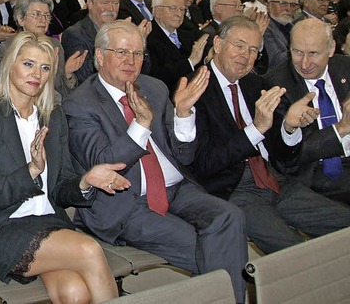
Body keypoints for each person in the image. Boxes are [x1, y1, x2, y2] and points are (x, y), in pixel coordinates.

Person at [62, 19, 248, 303]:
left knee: (230, 217)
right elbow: (104, 163)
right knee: (209, 246)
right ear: (100, 56)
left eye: (138, 54)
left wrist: (184, 113)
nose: (131, 61)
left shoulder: (155, 88)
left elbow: (184, 154)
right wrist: (141, 125)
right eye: (122, 52)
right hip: (126, 202)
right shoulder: (80, 104)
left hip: (176, 189)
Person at [0, 31, 129, 304]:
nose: (37, 74)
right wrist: (32, 170)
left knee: (75, 292)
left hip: (48, 222)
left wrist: (85, 181)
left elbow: (60, 187)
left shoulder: (52, 117)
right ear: (10, 64)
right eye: (28, 64)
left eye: (45, 67)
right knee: (89, 250)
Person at [193, 15, 350, 254]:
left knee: (344, 223)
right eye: (239, 45)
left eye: (254, 49)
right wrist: (255, 130)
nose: (246, 55)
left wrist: (289, 127)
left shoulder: (256, 85)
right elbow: (204, 164)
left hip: (277, 179)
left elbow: (284, 154)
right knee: (293, 250)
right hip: (235, 188)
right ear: (217, 44)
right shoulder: (194, 90)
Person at [267, 19, 350, 204]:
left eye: (313, 53)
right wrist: (342, 128)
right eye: (297, 52)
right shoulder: (276, 85)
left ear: (331, 48)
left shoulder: (347, 69)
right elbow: (286, 158)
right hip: (313, 175)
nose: (304, 63)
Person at [0, 0, 85, 101]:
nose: (43, 20)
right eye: (37, 14)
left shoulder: (54, 45)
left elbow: (65, 95)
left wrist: (68, 74)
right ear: (21, 19)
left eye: (47, 16)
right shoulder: (8, 49)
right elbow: (7, 93)